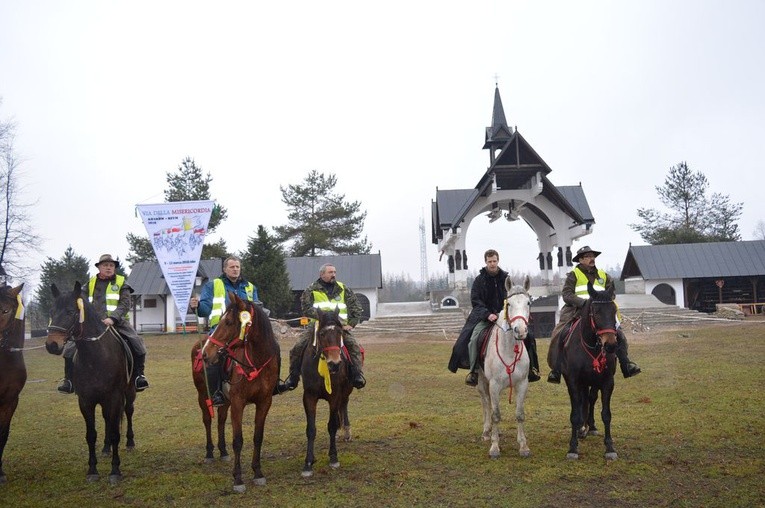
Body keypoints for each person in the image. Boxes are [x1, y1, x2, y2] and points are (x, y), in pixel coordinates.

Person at [547, 245, 641, 383]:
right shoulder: (573, 275)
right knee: (560, 333)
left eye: (593, 256)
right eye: (588, 257)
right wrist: (584, 303)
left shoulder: (604, 275)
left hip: (600, 312)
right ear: (580, 260)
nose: (592, 259)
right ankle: (556, 369)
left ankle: (626, 363)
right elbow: (567, 295)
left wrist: (602, 302)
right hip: (576, 311)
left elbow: (611, 292)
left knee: (619, 334)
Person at [58, 254, 149, 393]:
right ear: (99, 267)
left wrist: (112, 318)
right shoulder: (89, 284)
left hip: (117, 322)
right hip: (92, 324)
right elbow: (78, 299)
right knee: (70, 347)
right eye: (105, 265)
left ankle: (138, 376)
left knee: (137, 343)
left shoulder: (122, 283)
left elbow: (125, 303)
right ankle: (68, 380)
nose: (109, 268)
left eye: (111, 265)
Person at [448, 249, 541, 386]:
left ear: (498, 261)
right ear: (485, 262)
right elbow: (476, 300)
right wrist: (487, 314)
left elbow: (514, 299)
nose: (492, 264)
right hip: (485, 317)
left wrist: (507, 314)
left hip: (504, 317)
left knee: (529, 336)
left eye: (494, 261)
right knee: (473, 338)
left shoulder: (507, 279)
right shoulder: (479, 281)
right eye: (489, 261)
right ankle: (473, 371)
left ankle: (532, 369)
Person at [190, 255, 273, 406]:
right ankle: (216, 393)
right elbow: (205, 309)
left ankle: (273, 384)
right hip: (221, 330)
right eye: (232, 267)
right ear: (224, 269)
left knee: (272, 348)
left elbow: (256, 308)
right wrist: (196, 306)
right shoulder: (213, 285)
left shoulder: (250, 287)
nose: (235, 270)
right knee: (214, 357)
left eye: (237, 267)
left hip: (246, 332)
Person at [277, 263, 366, 392]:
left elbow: (356, 307)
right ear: (322, 274)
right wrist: (323, 317)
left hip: (338, 326)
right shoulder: (311, 289)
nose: (333, 275)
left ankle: (357, 375)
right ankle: (293, 378)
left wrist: (351, 323)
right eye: (330, 272)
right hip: (316, 325)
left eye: (334, 272)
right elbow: (306, 308)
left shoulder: (343, 288)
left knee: (354, 346)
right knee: (297, 347)